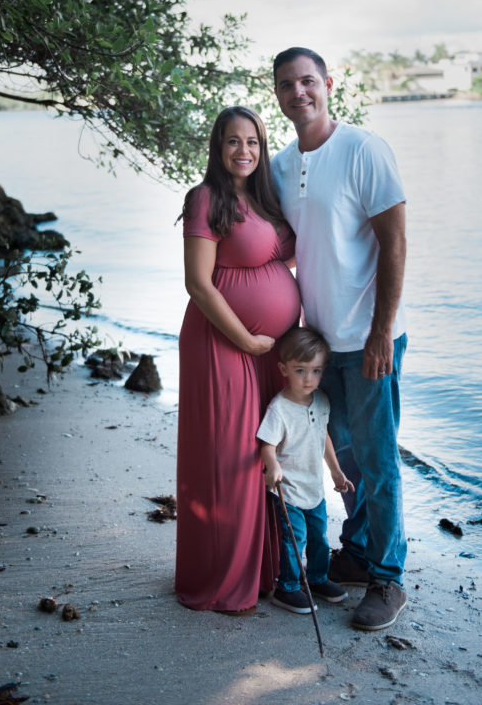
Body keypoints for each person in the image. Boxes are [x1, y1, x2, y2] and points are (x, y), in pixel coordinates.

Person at [270, 47, 408, 632]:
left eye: (307, 81)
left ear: (328, 84)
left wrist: (381, 331)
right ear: (276, 95)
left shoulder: (364, 149)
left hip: (370, 337)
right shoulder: (278, 165)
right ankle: (357, 549)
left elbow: (395, 244)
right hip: (319, 345)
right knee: (346, 454)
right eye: (286, 85)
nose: (298, 92)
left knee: (377, 459)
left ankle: (387, 577)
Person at [176, 105, 301, 615]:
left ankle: (268, 570)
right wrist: (247, 341)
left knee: (267, 454)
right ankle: (225, 582)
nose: (243, 151)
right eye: (232, 141)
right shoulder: (205, 198)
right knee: (230, 459)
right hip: (223, 345)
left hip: (271, 351)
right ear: (217, 147)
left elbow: (283, 258)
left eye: (252, 141)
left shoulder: (267, 197)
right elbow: (198, 284)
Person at [257, 326, 354, 614]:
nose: (309, 379)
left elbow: (323, 436)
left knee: (320, 538)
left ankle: (317, 579)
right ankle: (287, 588)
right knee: (294, 539)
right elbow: (267, 444)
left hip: (315, 487)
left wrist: (336, 472)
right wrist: (272, 466)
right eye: (300, 371)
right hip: (288, 489)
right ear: (283, 368)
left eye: (316, 371)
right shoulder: (279, 408)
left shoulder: (321, 399)